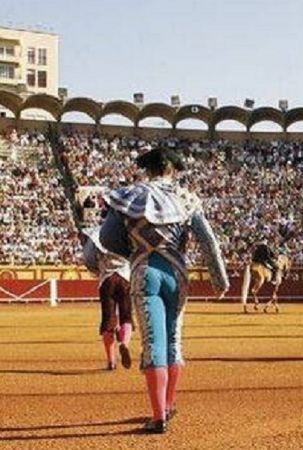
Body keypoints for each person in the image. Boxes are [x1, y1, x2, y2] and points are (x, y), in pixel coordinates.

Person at [99, 146, 229, 433]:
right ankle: (169, 405)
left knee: (153, 343)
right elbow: (208, 241)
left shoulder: (128, 195)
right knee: (173, 340)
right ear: (172, 170)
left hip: (145, 272)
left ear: (149, 169)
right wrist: (220, 280)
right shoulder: (185, 197)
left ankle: (158, 416)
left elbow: (107, 238)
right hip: (177, 274)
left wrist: (135, 251)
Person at [82, 224, 133, 371]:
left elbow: (89, 258)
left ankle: (111, 361)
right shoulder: (126, 232)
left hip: (107, 280)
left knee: (107, 320)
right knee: (126, 316)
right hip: (125, 278)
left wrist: (99, 268)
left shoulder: (98, 234)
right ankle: (125, 343)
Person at [243, 241, 277, 313]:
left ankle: (248, 304)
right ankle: (273, 280)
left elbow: (253, 256)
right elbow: (269, 258)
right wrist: (273, 263)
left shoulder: (257, 248)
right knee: (274, 269)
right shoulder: (266, 248)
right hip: (261, 264)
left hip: (253, 264)